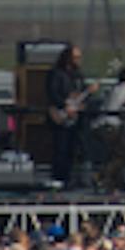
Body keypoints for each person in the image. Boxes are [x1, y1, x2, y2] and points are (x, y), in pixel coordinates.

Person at [46, 45, 91, 186]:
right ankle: (58, 177)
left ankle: (68, 178)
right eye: (75, 57)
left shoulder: (78, 76)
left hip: (75, 118)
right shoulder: (56, 73)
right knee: (61, 147)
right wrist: (64, 105)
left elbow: (81, 94)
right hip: (61, 115)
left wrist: (85, 99)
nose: (78, 60)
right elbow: (52, 93)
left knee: (72, 148)